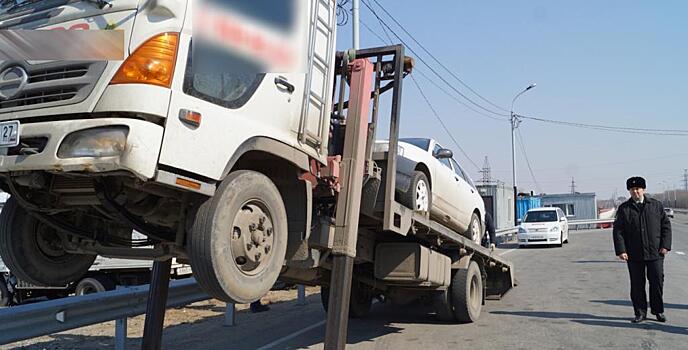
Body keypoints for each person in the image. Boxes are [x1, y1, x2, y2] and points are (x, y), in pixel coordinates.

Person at [612, 176, 671, 323]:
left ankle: (658, 310)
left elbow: (666, 226)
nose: (635, 192)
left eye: (637, 189)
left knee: (657, 282)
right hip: (634, 254)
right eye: (632, 190)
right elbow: (618, 231)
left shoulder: (655, 205)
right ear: (629, 191)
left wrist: (665, 245)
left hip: (655, 253)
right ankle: (640, 313)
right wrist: (621, 250)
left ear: (643, 189)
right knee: (637, 285)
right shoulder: (624, 209)